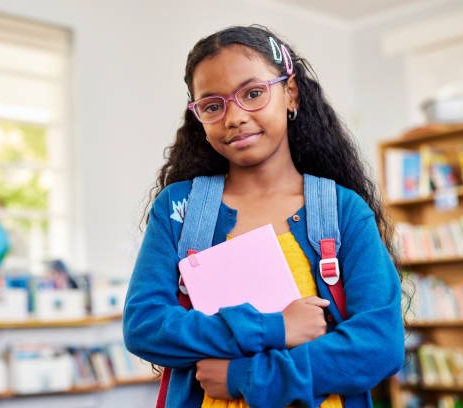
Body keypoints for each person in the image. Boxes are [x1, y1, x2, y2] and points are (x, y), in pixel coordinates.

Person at [123, 25, 404, 408]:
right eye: (212, 105)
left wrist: (246, 376)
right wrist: (275, 327)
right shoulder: (180, 209)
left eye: (253, 93)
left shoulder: (342, 211)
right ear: (199, 118)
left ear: (290, 95)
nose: (234, 117)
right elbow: (145, 326)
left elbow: (379, 346)